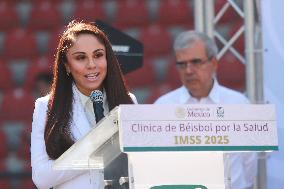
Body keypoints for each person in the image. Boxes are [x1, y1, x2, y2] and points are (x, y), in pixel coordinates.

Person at [31, 20, 137, 189]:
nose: (91, 65)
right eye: (81, 57)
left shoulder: (129, 101)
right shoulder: (45, 106)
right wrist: (94, 147)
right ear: (66, 65)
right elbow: (41, 178)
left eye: (98, 55)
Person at [154, 31, 258, 189]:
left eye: (196, 62)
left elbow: (249, 163)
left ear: (214, 63)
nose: (188, 70)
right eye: (182, 64)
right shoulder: (162, 107)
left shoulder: (238, 104)